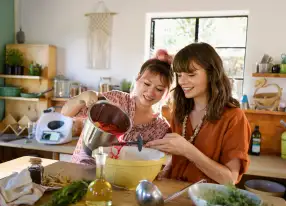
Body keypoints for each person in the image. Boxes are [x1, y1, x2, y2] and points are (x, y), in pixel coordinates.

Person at [146, 42, 251, 185]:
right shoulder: (180, 111)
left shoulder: (234, 117)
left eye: (191, 74)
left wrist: (188, 150)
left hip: (208, 202)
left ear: (212, 74)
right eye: (179, 75)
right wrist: (167, 170)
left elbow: (229, 179)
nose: (182, 81)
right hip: (175, 196)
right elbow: (178, 159)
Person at [61, 50, 173, 165]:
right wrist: (83, 97)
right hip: (83, 169)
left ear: (166, 93)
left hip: (121, 178)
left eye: (159, 89)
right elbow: (66, 112)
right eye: (147, 84)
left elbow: (157, 161)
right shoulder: (116, 100)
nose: (150, 92)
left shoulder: (161, 127)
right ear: (138, 78)